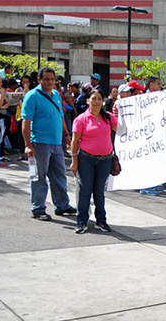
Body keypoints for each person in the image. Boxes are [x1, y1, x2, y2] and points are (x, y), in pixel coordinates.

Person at [22, 67, 76, 221]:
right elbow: (26, 122)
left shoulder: (57, 95)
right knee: (39, 176)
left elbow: (60, 117)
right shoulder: (32, 96)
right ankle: (38, 208)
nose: (50, 82)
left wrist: (66, 135)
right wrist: (27, 144)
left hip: (56, 143)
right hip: (39, 143)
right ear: (39, 80)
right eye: (46, 79)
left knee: (59, 175)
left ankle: (62, 205)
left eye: (52, 79)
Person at [70, 90, 116, 233]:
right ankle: (81, 222)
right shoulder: (81, 119)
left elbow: (123, 131)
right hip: (86, 159)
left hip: (105, 160)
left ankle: (101, 221)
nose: (96, 101)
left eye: (99, 99)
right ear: (88, 101)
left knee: (99, 192)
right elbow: (75, 141)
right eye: (93, 98)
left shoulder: (109, 118)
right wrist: (74, 161)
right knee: (85, 190)